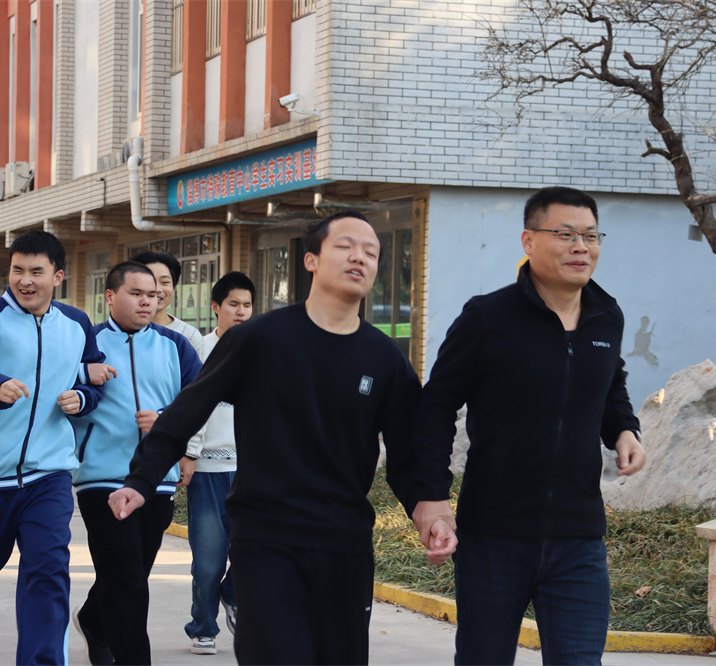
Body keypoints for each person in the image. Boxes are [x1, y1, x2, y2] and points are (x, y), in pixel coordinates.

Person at [108, 212, 457, 665]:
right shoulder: (259, 339)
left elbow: (410, 454)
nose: (360, 257)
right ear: (311, 260)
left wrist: (430, 511)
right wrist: (142, 479)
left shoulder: (385, 359)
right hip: (266, 538)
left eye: (371, 252)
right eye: (345, 246)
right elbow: (188, 411)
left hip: (345, 541)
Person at [411, 186, 647, 666]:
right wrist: (433, 497)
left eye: (591, 236)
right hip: (494, 536)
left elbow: (610, 383)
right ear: (528, 240)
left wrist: (625, 429)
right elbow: (435, 407)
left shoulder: (607, 316)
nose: (581, 247)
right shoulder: (487, 317)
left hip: (579, 538)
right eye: (565, 234)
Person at [0, 230, 105, 665]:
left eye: (36, 272)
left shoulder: (77, 324)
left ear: (58, 276)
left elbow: (91, 377)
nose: (25, 280)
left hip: (49, 475)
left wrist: (82, 398)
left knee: (48, 574)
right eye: (17, 270)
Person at [70, 261, 202, 666]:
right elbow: (58, 390)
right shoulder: (85, 344)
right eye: (137, 294)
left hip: (156, 480)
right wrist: (82, 375)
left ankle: (93, 622)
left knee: (131, 572)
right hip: (101, 479)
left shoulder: (175, 346)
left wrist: (167, 422)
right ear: (110, 296)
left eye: (153, 295)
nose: (148, 302)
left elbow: (199, 401)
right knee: (128, 581)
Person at [182, 271, 255, 655]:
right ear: (216, 307)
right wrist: (189, 454)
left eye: (247, 305)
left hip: (253, 472)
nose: (241, 312)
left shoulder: (262, 351)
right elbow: (194, 407)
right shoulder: (200, 351)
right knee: (208, 559)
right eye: (233, 305)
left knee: (255, 551)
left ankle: (233, 594)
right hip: (208, 470)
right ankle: (203, 627)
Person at [131, 250, 205, 356]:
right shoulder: (117, 332)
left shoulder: (189, 336)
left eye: (165, 282)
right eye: (149, 281)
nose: (157, 289)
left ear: (173, 288)